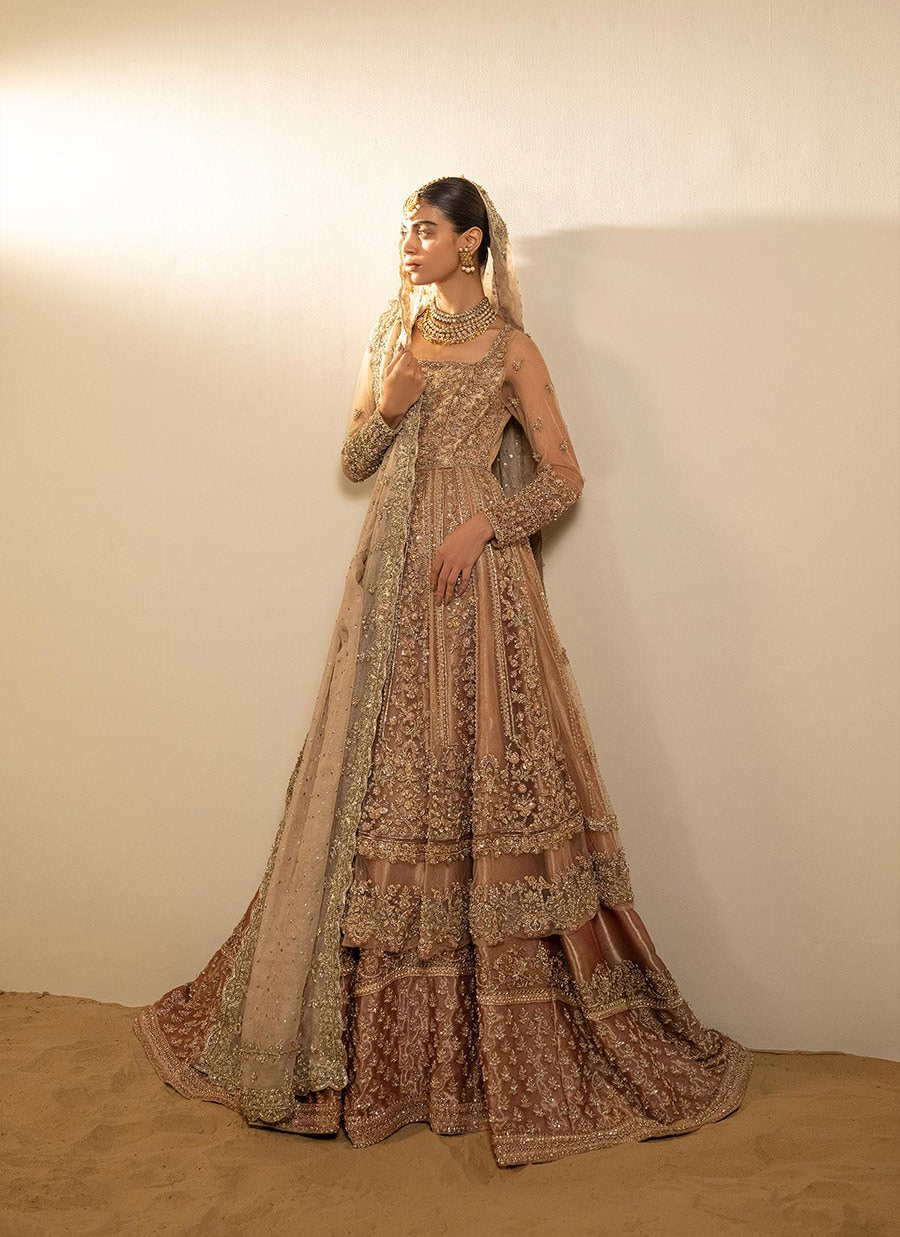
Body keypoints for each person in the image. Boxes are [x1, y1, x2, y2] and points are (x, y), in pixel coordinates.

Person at [133, 175, 753, 1167]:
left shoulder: (513, 348)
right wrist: (389, 405)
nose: (407, 243)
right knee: (378, 790)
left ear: (469, 244)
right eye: (404, 229)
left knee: (480, 770)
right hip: (387, 593)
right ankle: (383, 1053)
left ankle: (488, 1050)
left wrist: (486, 522)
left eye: (424, 229)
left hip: (476, 590)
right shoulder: (398, 333)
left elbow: (562, 474)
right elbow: (355, 457)